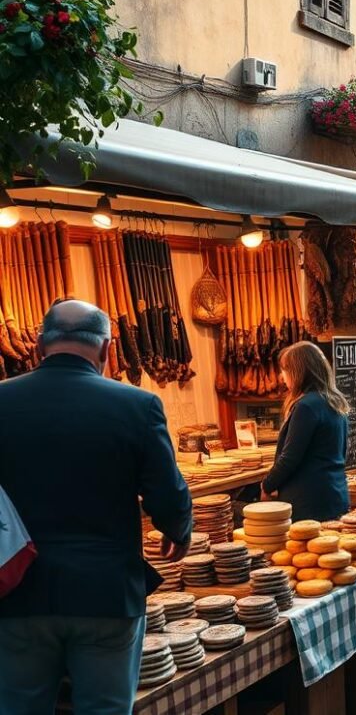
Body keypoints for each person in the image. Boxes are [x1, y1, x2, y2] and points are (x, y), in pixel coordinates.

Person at [0, 300, 193, 712]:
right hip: (106, 593)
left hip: (17, 592)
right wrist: (178, 530)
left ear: (39, 345)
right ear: (107, 348)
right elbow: (167, 493)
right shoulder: (137, 405)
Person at [260, 341, 351, 521]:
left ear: (298, 372)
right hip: (335, 492)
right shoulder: (335, 401)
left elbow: (290, 457)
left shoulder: (306, 406)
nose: (282, 376)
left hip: (308, 500)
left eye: (285, 370)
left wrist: (267, 485)